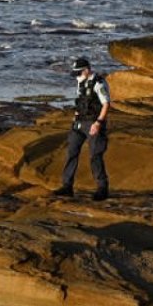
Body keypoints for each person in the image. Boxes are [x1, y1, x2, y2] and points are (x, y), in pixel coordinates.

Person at [54, 57, 111, 200]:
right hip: (79, 123)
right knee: (71, 151)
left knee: (95, 155)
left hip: (93, 122)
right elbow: (80, 102)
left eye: (79, 72)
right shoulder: (80, 82)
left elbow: (106, 104)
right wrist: (75, 117)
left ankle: (102, 188)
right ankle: (67, 186)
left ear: (86, 70)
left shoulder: (99, 83)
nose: (77, 76)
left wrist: (98, 123)